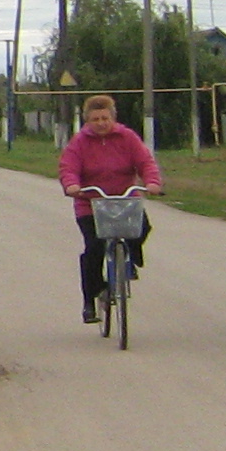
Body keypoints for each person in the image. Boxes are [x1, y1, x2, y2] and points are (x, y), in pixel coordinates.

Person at [57, 94, 163, 324]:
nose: (101, 123)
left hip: (124, 199)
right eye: (95, 119)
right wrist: (72, 185)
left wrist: (152, 183)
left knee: (142, 227)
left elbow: (145, 162)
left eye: (105, 118)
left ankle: (130, 259)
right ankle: (91, 300)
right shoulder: (79, 143)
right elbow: (68, 167)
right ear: (88, 121)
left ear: (113, 118)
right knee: (94, 247)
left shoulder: (127, 137)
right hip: (90, 203)